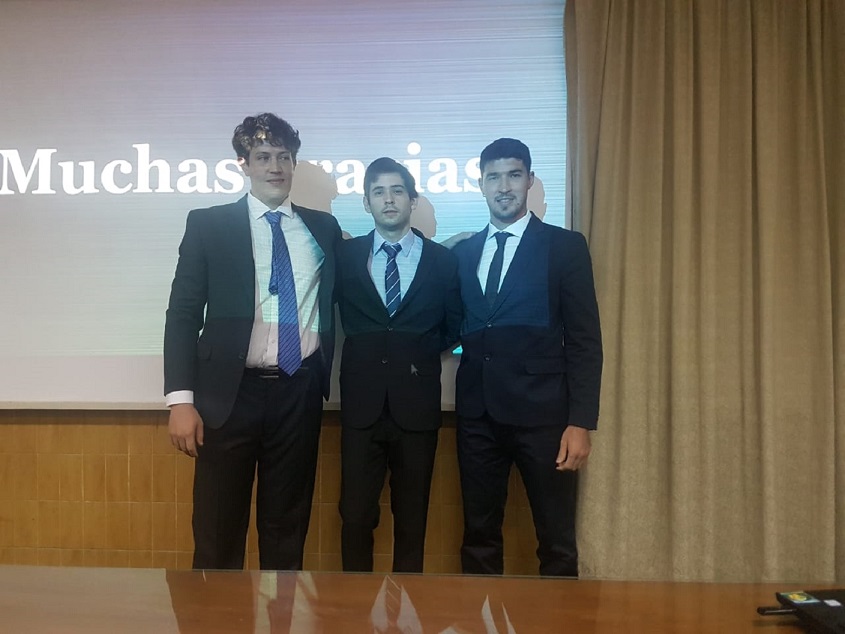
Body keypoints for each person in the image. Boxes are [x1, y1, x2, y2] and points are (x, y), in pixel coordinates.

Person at [163, 113, 342, 570]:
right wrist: (180, 400)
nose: (275, 167)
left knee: (287, 533)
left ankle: (279, 611)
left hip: (298, 393)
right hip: (228, 395)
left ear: (294, 163)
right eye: (263, 157)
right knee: (218, 533)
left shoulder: (322, 229)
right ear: (244, 164)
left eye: (283, 157)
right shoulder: (209, 225)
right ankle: (215, 612)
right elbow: (182, 314)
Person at [450, 138, 602, 577]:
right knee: (478, 539)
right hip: (477, 417)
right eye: (494, 177)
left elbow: (585, 339)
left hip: (546, 419)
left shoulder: (565, 246)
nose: (504, 187)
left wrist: (581, 422)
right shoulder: (463, 254)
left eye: (514, 175)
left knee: (556, 542)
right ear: (481, 185)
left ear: (530, 180)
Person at [336, 157, 462, 573]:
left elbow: (455, 324)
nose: (388, 199)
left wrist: (417, 352)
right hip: (361, 407)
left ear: (412, 200)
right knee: (355, 517)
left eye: (397, 191)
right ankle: (353, 605)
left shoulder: (442, 261)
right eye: (379, 192)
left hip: (417, 407)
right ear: (366, 203)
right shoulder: (345, 256)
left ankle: (409, 605)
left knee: (412, 520)